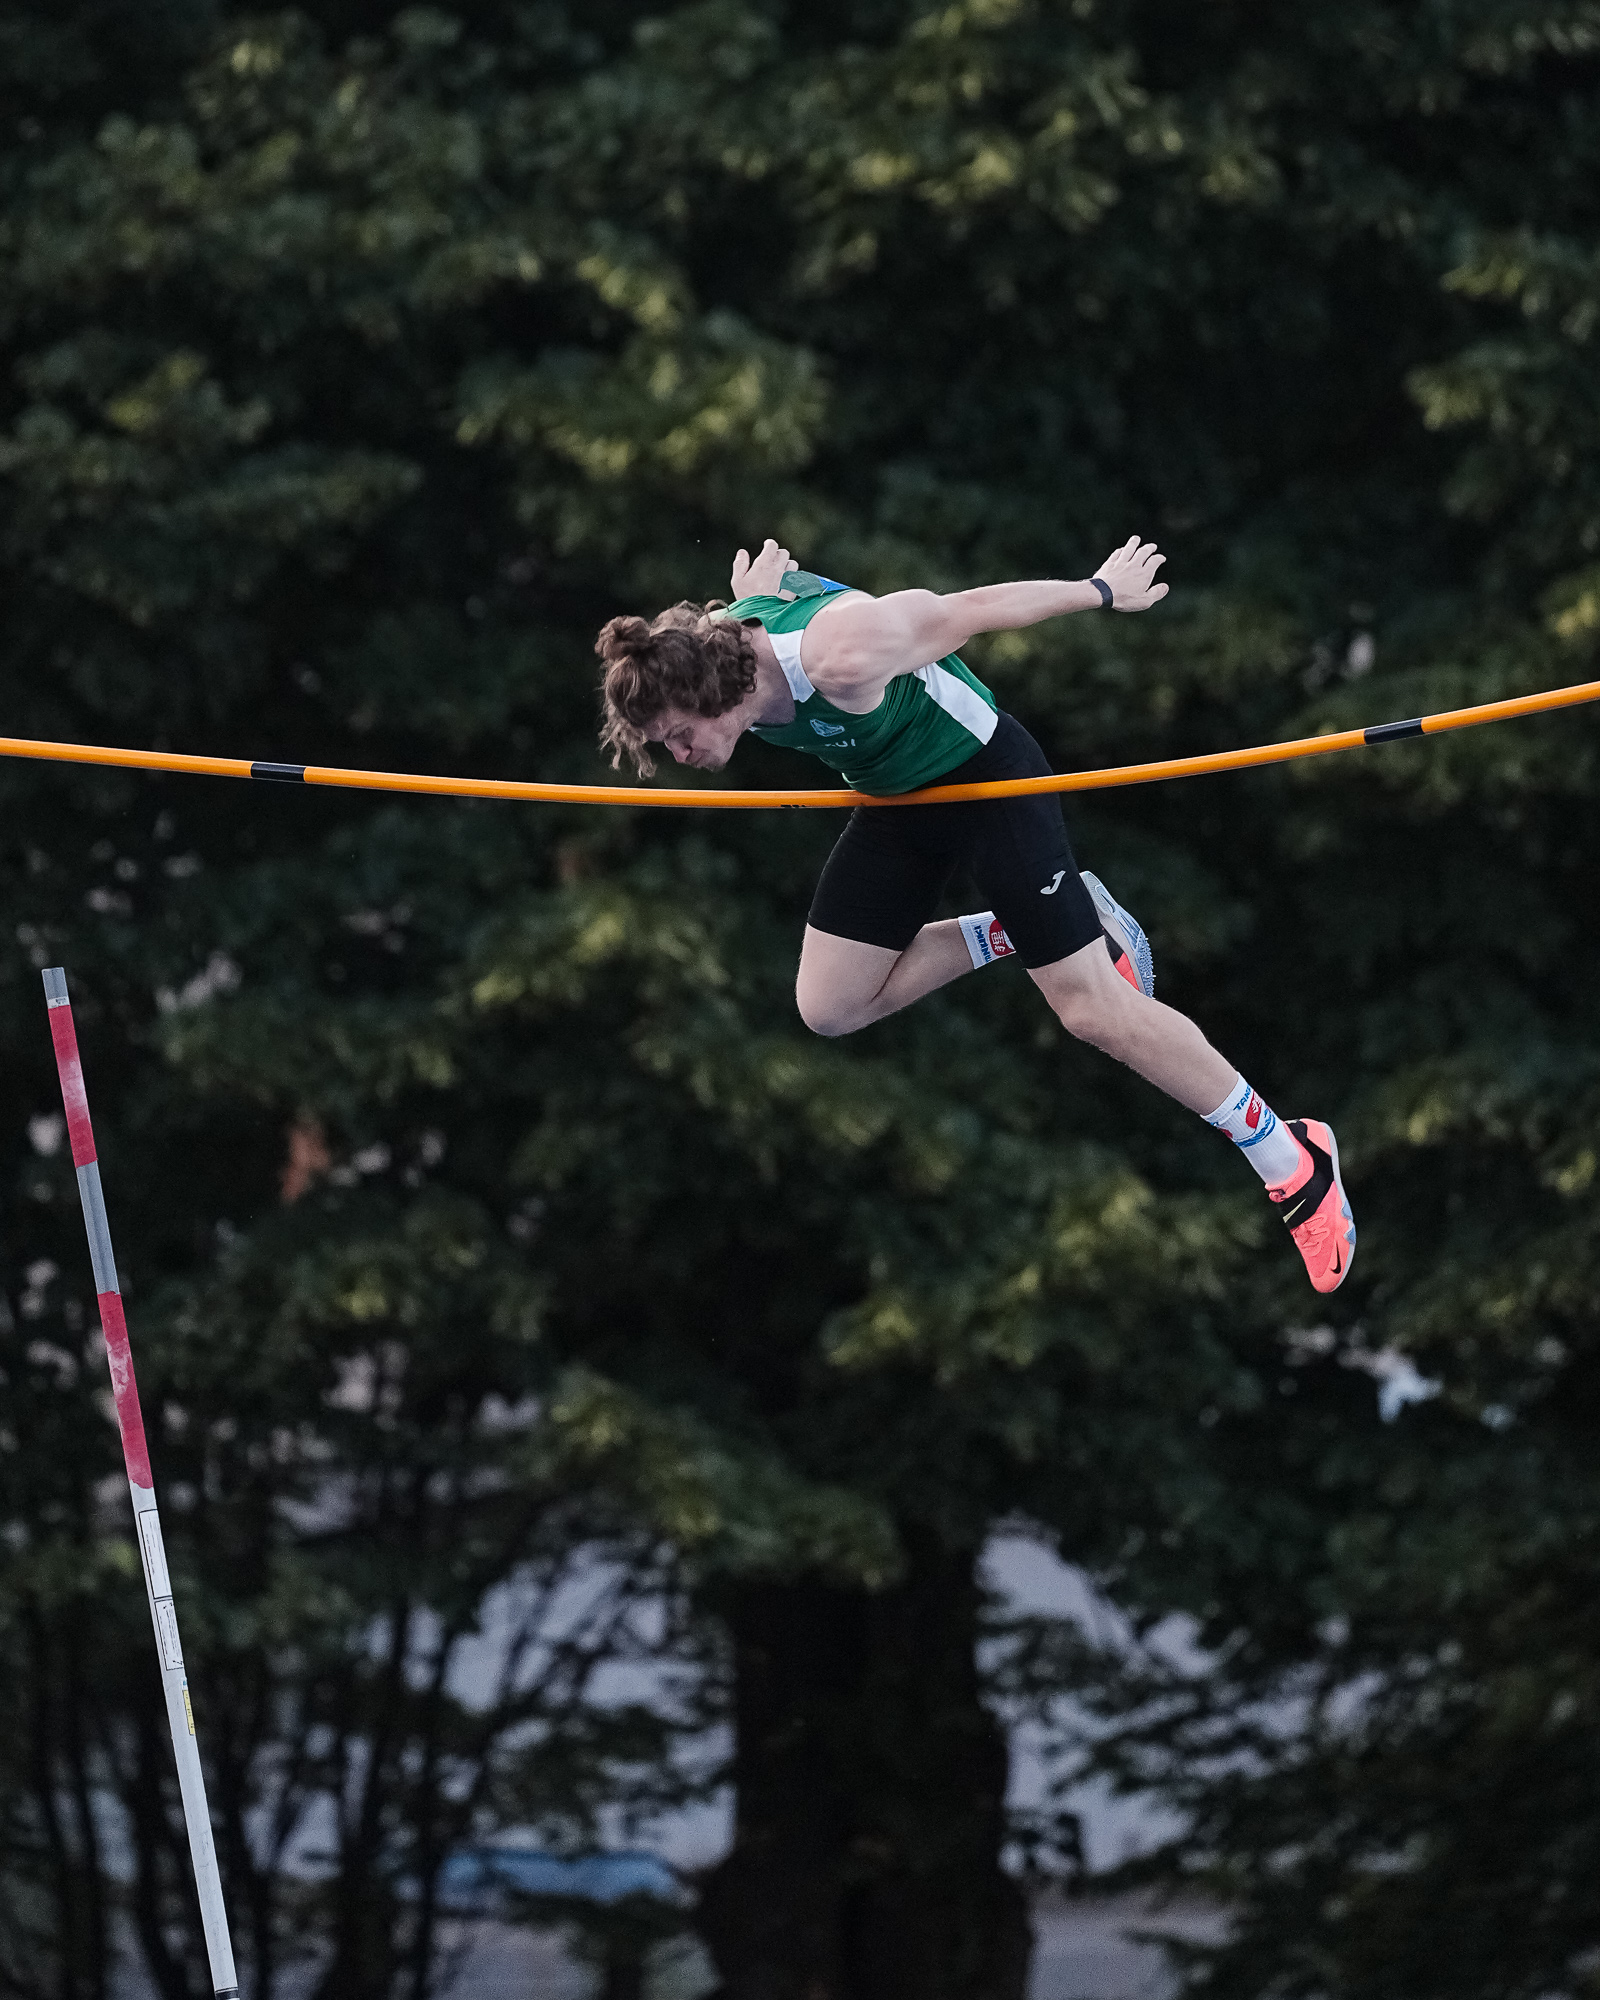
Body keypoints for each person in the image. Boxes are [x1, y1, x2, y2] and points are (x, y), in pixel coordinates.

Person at [594, 537, 1354, 1292]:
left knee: (1091, 1010)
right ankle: (1018, 929)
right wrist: (751, 592)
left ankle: (1291, 1160)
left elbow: (975, 608)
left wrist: (1099, 588)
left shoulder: (840, 653)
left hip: (988, 783)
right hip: (896, 802)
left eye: (679, 736)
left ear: (706, 694)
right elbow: (721, 619)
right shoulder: (715, 651)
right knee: (830, 1006)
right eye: (665, 746)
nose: (681, 755)